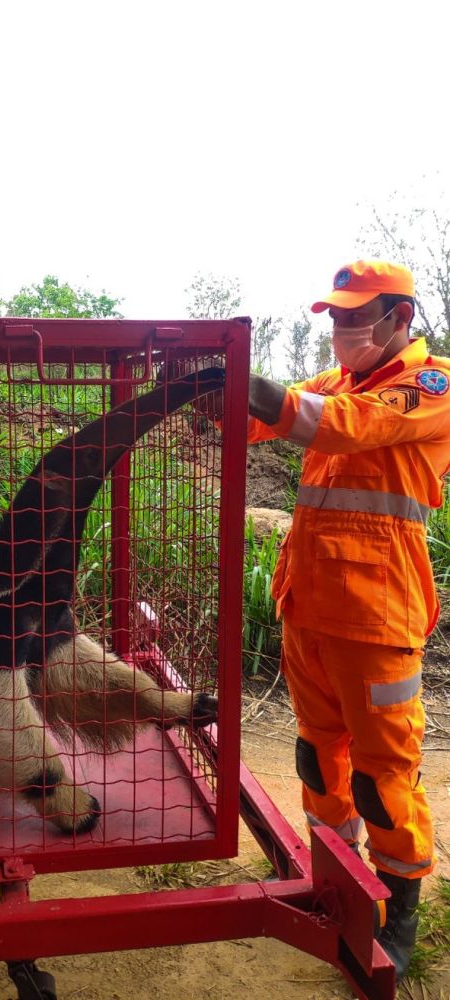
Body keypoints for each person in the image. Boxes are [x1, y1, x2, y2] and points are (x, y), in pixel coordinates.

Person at [246, 259, 450, 980]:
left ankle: (396, 914)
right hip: (306, 608)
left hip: (377, 617)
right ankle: (333, 885)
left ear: (399, 319)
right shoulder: (335, 381)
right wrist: (203, 391)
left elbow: (338, 430)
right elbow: (258, 419)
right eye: (333, 316)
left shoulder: (431, 386)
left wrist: (245, 380)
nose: (339, 328)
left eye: (354, 316)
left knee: (381, 777)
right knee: (316, 757)